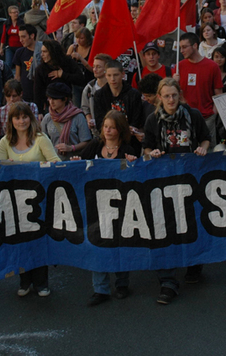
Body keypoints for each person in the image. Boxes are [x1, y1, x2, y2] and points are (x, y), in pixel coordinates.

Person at [142, 78, 211, 303]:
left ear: (179, 95)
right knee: (165, 228)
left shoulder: (193, 115)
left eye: (174, 95)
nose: (171, 100)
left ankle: (194, 265)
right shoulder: (152, 120)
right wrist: (152, 153)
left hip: (190, 179)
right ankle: (168, 281)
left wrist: (203, 148)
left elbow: (206, 138)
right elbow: (146, 148)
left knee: (192, 223)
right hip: (163, 181)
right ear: (159, 98)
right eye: (166, 96)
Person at [0, 102, 59, 297]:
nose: (21, 121)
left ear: (30, 119)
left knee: (39, 241)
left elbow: (56, 163)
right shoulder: (5, 142)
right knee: (21, 242)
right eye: (17, 117)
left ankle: (41, 283)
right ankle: (24, 281)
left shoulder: (41, 139)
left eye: (25, 117)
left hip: (40, 199)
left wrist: (39, 169)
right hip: (15, 201)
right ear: (11, 121)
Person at [82, 110, 141, 306]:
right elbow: (80, 164)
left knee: (121, 244)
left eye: (112, 127)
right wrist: (77, 163)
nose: (107, 130)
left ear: (120, 130)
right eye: (105, 127)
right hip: (95, 204)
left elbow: (137, 174)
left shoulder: (127, 148)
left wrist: (133, 164)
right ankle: (100, 289)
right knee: (97, 245)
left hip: (121, 204)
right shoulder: (95, 145)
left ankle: (122, 284)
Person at [175, 32, 223, 146]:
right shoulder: (179, 66)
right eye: (180, 47)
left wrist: (213, 113)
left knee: (208, 150)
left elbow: (218, 93)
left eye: (184, 47)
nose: (181, 50)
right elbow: (174, 93)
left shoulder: (212, 66)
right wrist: (174, 81)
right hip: (184, 118)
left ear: (195, 46)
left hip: (207, 118)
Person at [93, 59, 145, 133]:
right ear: (105, 75)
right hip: (108, 134)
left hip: (129, 135)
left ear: (122, 74)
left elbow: (136, 120)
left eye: (116, 75)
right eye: (109, 75)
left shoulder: (133, 94)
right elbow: (99, 121)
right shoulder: (99, 95)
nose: (112, 79)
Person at [41, 82, 91, 159]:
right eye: (49, 98)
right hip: (54, 160)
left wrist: (71, 148)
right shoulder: (47, 118)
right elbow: (42, 141)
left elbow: (86, 141)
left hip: (73, 160)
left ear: (65, 99)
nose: (51, 102)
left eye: (55, 98)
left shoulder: (78, 116)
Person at [33, 40, 82, 114]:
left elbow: (80, 78)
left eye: (45, 52)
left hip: (69, 104)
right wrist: (40, 112)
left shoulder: (67, 62)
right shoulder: (40, 69)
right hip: (50, 107)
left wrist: (63, 75)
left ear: (53, 52)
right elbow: (38, 92)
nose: (42, 55)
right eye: (41, 51)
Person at [81, 54, 112, 132]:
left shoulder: (113, 87)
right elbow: (85, 108)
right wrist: (89, 119)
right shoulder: (89, 88)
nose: (95, 69)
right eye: (94, 66)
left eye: (98, 67)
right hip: (96, 131)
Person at [14, 25, 43, 103]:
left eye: (23, 37)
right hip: (25, 94)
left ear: (32, 36)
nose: (21, 40)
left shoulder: (43, 51)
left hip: (40, 93)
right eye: (19, 37)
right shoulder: (19, 52)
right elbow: (17, 76)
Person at [67, 27, 94, 102]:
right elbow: (66, 64)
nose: (78, 40)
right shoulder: (73, 48)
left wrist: (81, 58)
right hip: (76, 83)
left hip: (89, 81)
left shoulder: (92, 49)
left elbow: (93, 69)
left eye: (81, 38)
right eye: (77, 38)